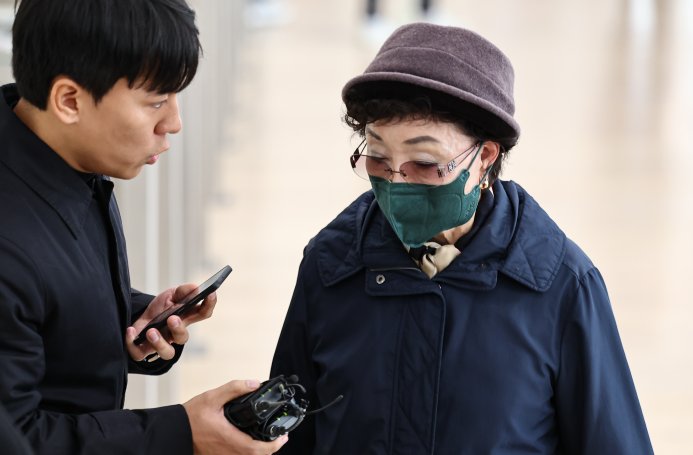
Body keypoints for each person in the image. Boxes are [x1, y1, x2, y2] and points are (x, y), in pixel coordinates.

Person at [270, 23, 654, 454]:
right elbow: (287, 439)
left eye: (424, 162)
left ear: (485, 158)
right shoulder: (330, 265)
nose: (397, 181)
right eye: (378, 158)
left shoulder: (563, 287)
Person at [0, 1, 287, 453]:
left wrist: (130, 317)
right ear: (69, 100)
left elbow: (39, 311)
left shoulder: (63, 157)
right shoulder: (10, 242)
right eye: (156, 101)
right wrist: (182, 432)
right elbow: (18, 439)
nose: (173, 122)